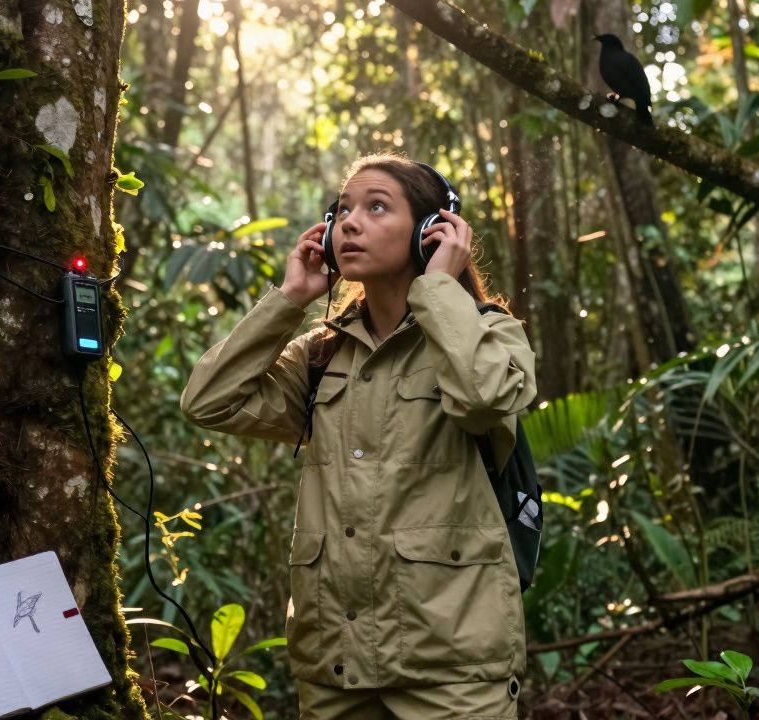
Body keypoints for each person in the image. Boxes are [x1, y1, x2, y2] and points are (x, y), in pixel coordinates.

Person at [180, 153, 537, 719]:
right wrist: (290, 300)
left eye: (376, 207)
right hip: (336, 672)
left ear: (430, 232)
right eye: (342, 209)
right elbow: (208, 402)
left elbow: (482, 398)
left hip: (451, 676)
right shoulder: (322, 353)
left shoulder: (490, 332)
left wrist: (440, 287)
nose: (349, 222)